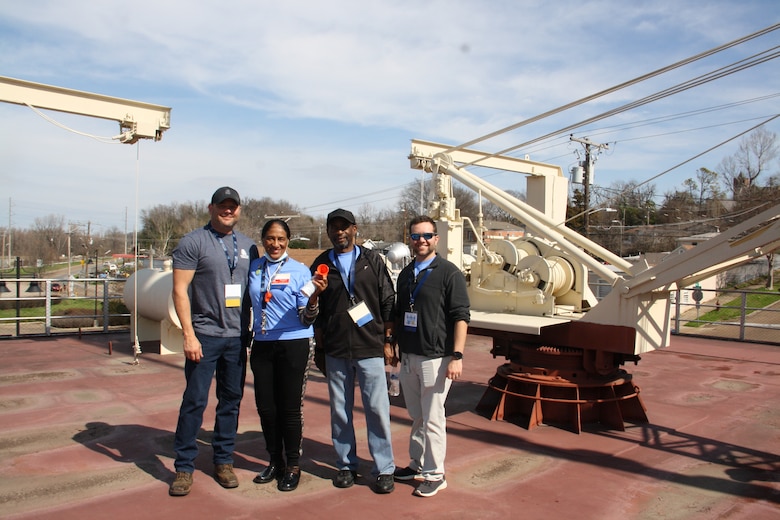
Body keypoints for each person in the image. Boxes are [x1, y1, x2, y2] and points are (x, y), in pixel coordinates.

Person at [169, 187, 258, 497]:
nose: (228, 211)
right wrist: (188, 334)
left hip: (236, 339)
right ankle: (183, 466)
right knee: (194, 401)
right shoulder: (193, 242)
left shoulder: (249, 246)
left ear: (239, 210)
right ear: (211, 208)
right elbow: (180, 290)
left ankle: (223, 460)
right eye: (223, 206)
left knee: (231, 402)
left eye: (233, 206)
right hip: (204, 336)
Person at [311, 208, 397, 494]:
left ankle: (384, 468)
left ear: (355, 229)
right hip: (336, 348)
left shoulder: (372, 260)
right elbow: (318, 310)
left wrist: (387, 340)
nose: (339, 232)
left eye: (344, 227)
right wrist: (320, 348)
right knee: (340, 410)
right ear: (329, 232)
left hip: (369, 346)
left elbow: (387, 299)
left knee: (376, 408)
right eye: (333, 228)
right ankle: (346, 464)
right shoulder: (322, 263)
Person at [393, 215, 470, 497]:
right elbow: (400, 314)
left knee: (433, 417)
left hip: (436, 358)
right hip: (409, 356)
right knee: (416, 415)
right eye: (415, 236)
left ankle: (436, 474)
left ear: (436, 239)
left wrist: (457, 355)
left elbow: (461, 316)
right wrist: (394, 347)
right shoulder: (405, 274)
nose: (421, 241)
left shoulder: (449, 273)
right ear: (410, 240)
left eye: (426, 235)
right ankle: (416, 463)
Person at [248, 219, 327, 492]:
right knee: (266, 408)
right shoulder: (255, 268)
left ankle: (293, 465)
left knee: (289, 409)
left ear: (288, 240)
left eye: (281, 239)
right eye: (270, 238)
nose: (275, 244)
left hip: (294, 344)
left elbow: (307, 318)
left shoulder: (299, 271)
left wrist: (315, 296)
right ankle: (274, 462)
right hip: (262, 344)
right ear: (263, 240)